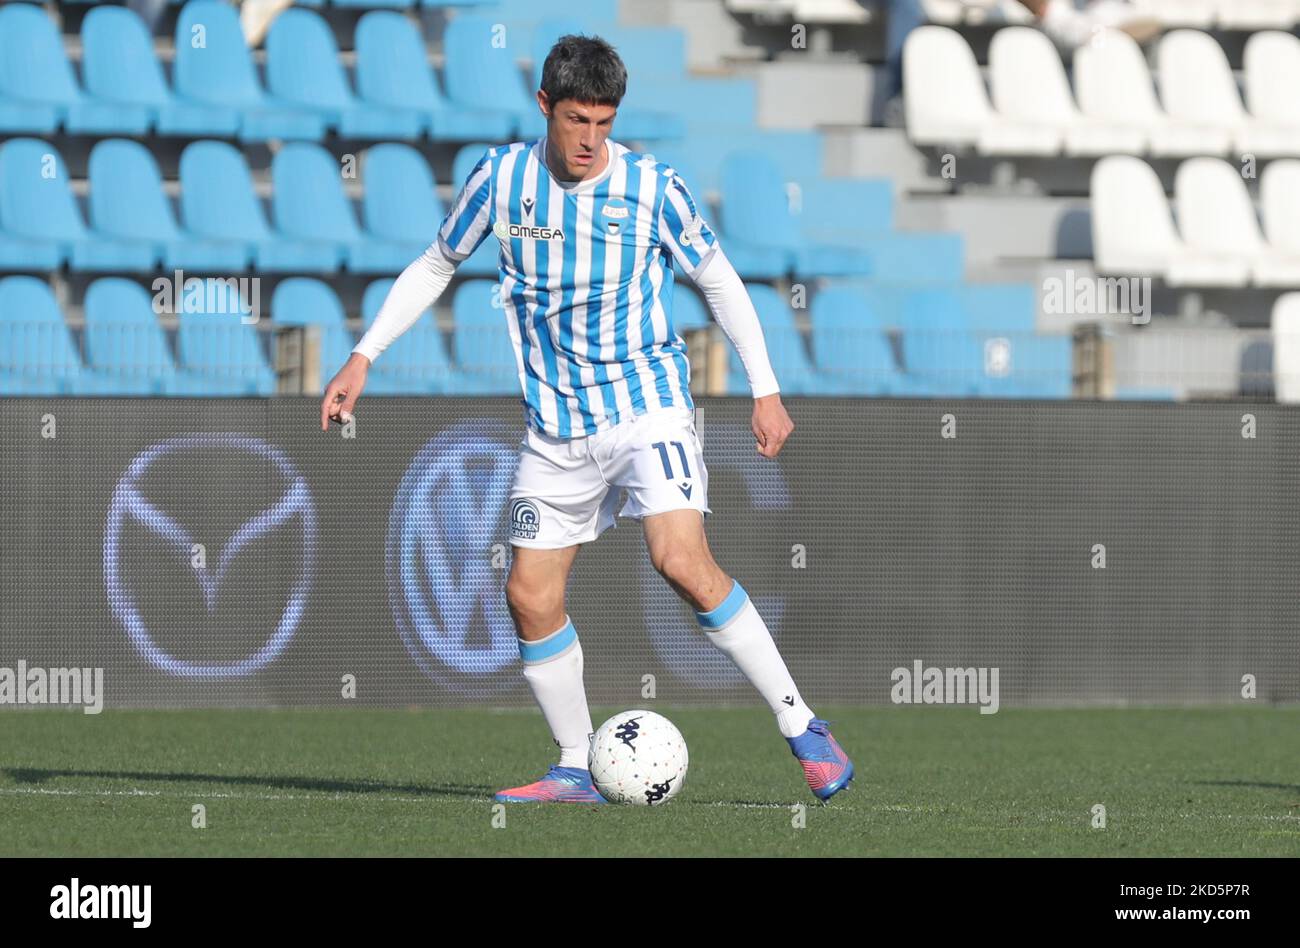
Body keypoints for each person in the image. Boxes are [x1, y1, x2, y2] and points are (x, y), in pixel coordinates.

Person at [320, 34, 855, 805]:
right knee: (529, 595)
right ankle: (576, 765)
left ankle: (803, 727)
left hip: (648, 408)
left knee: (680, 560)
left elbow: (719, 279)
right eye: (577, 120)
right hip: (555, 428)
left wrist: (763, 387)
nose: (590, 140)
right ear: (545, 107)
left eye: (604, 123)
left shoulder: (652, 187)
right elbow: (436, 263)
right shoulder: (500, 181)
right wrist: (362, 356)